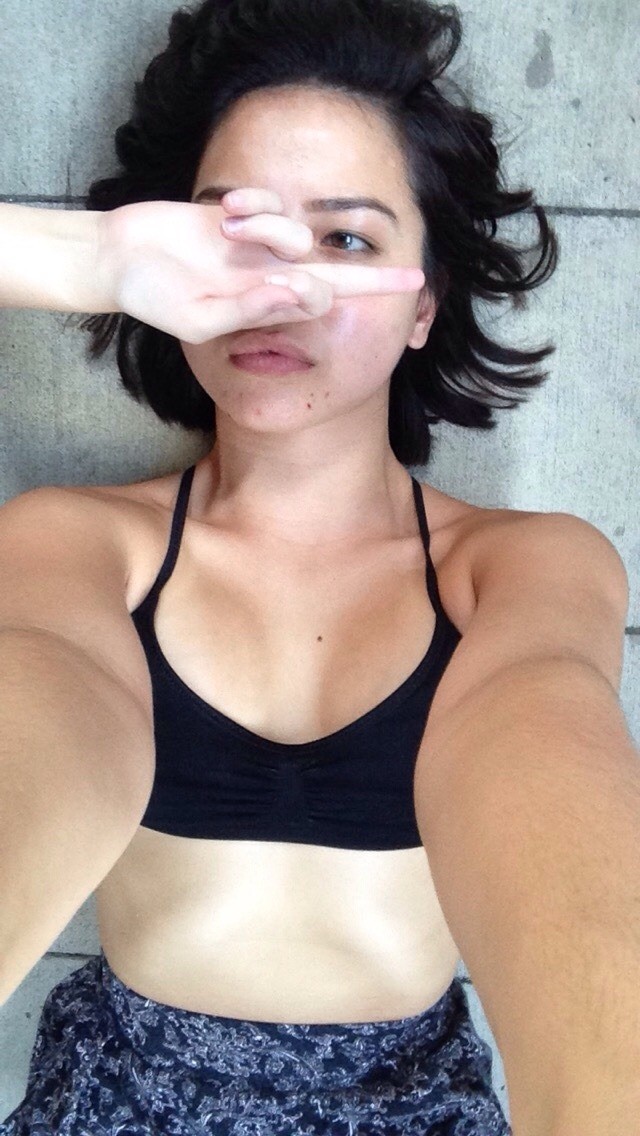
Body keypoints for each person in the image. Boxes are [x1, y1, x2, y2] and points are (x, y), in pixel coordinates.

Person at [4, 0, 625, 1132]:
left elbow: (558, 789)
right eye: (231, 234)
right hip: (114, 1098)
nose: (276, 287)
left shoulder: (523, 567)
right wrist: (75, 259)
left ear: (424, 302)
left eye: (344, 241)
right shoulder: (72, 545)